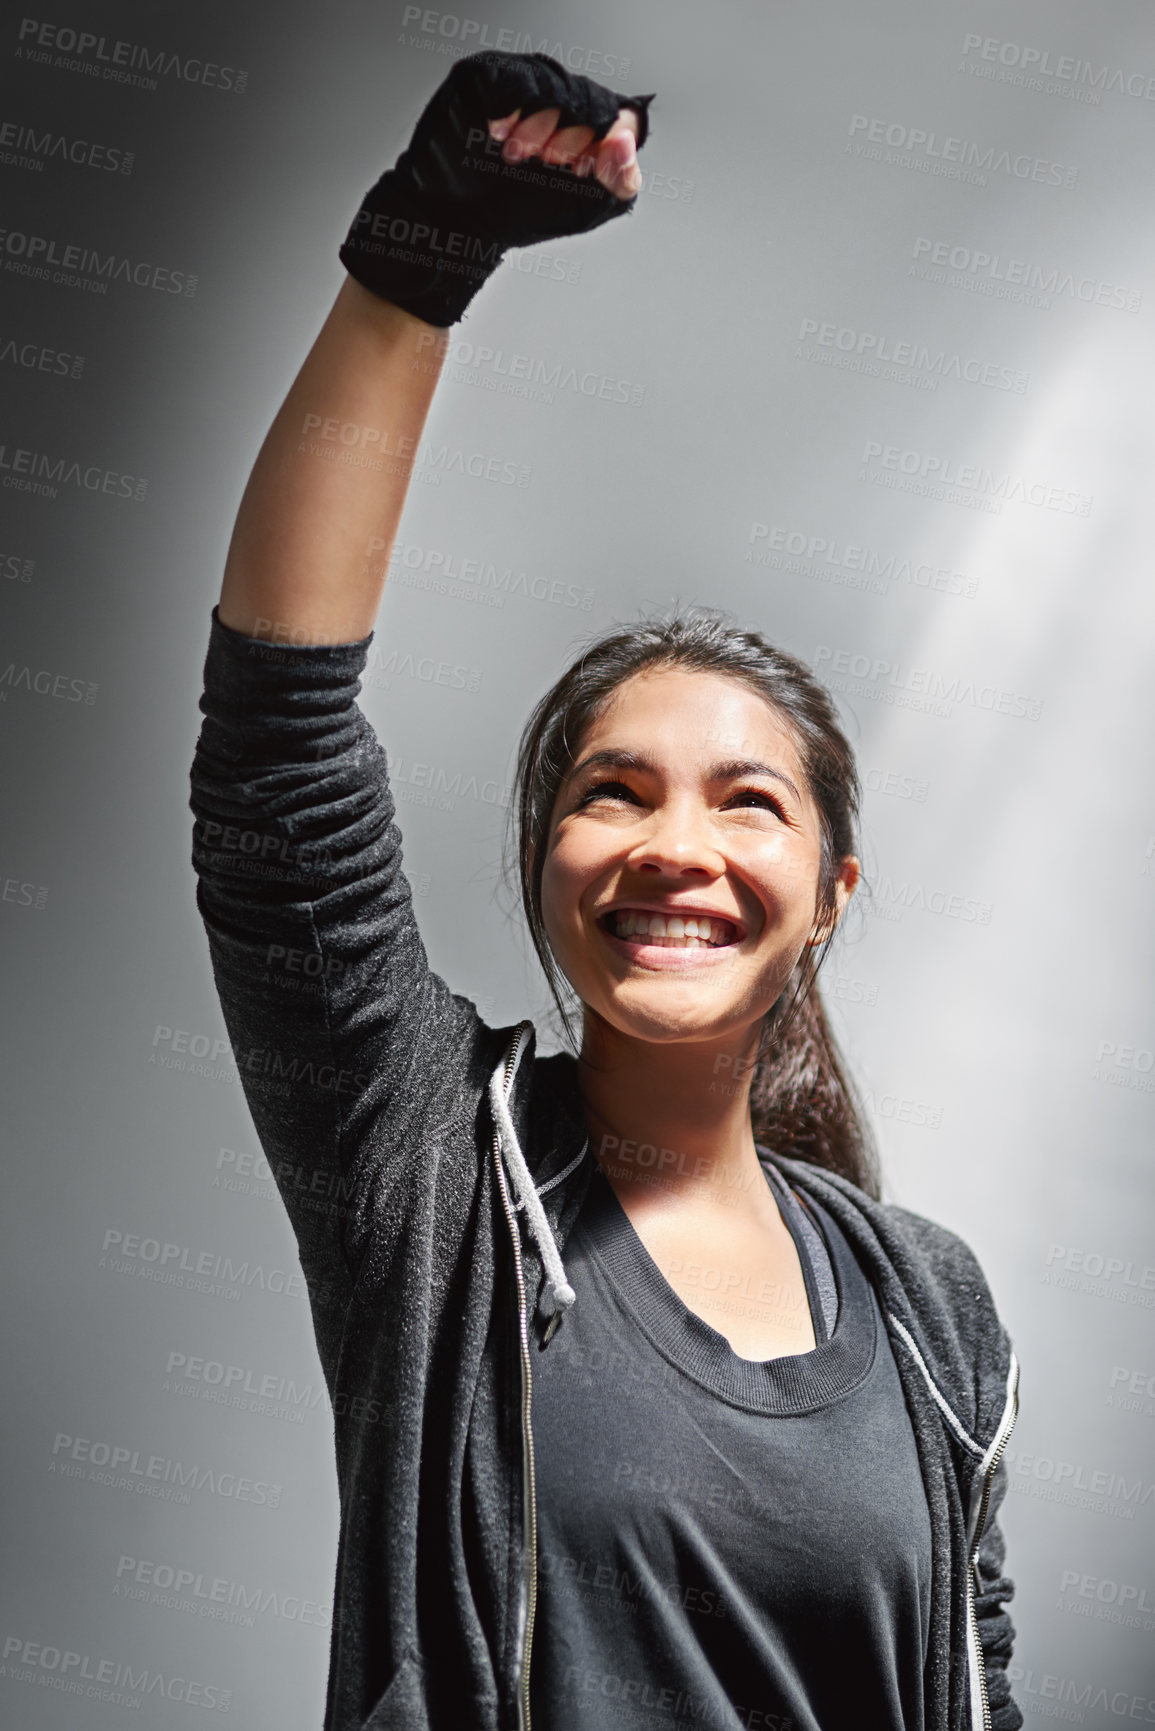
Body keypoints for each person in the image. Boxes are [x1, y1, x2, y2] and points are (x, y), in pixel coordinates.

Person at [189, 52, 1021, 1731]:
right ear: (546, 862)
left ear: (832, 886)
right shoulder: (429, 1169)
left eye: (748, 804)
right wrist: (414, 265)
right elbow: (277, 746)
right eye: (611, 792)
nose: (675, 847)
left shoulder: (934, 1309)